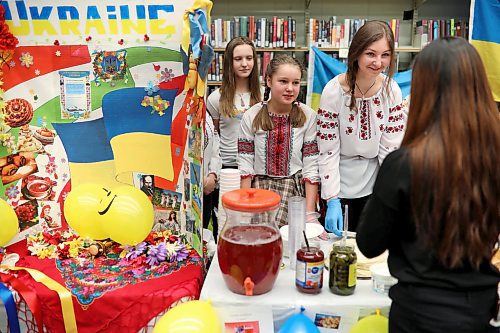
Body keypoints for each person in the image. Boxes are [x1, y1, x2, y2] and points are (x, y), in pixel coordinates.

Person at [356, 37, 500, 332]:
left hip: (418, 314)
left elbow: (369, 245)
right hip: (481, 311)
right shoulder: (494, 157)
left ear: (423, 90)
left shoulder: (405, 164)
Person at [317, 20, 407, 236]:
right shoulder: (333, 91)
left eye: (385, 55)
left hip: (375, 183)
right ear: (356, 52)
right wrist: (332, 199)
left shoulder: (391, 90)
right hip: (338, 182)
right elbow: (328, 150)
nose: (378, 62)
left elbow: (390, 149)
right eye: (371, 54)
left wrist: (391, 194)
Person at [238, 54, 320, 227]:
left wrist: (310, 214)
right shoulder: (251, 116)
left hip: (294, 190)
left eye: (296, 83)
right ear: (269, 81)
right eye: (283, 81)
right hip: (259, 190)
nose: (290, 88)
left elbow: (311, 166)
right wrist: (243, 208)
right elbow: (245, 165)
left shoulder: (308, 116)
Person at [207, 36, 262, 169]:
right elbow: (214, 137)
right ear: (229, 63)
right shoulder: (215, 98)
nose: (244, 64)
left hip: (256, 166)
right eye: (238, 59)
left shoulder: (265, 95)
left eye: (249, 58)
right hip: (227, 166)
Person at [203, 112, 222, 238]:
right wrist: (200, 180)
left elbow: (215, 146)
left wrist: (212, 174)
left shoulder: (205, 112)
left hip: (205, 192)